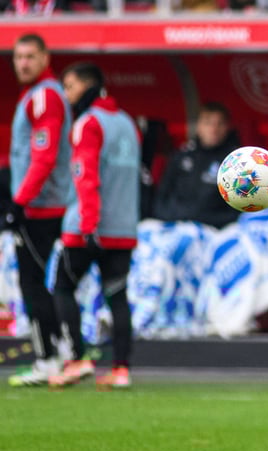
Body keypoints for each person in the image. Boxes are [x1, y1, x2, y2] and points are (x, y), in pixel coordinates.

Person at [47, 62, 140, 390]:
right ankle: (121, 370)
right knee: (117, 296)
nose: (66, 94)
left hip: (90, 226)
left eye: (69, 87)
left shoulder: (88, 123)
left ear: (84, 86)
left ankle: (75, 360)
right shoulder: (127, 122)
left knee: (62, 286)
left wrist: (88, 225)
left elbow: (85, 176)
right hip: (124, 229)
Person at [6, 33, 73, 387]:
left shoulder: (44, 96)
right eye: (18, 57)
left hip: (40, 209)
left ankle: (47, 359)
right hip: (46, 205)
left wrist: (19, 201)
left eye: (30, 56)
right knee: (45, 283)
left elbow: (44, 157)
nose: (23, 63)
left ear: (46, 58)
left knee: (33, 284)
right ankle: (60, 354)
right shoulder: (38, 96)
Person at [148, 102, 241, 229]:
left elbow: (237, 212)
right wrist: (176, 218)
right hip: (175, 226)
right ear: (199, 126)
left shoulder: (236, 162)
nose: (213, 129)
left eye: (219, 124)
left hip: (215, 231)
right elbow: (160, 199)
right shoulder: (181, 155)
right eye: (208, 123)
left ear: (227, 127)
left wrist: (199, 219)